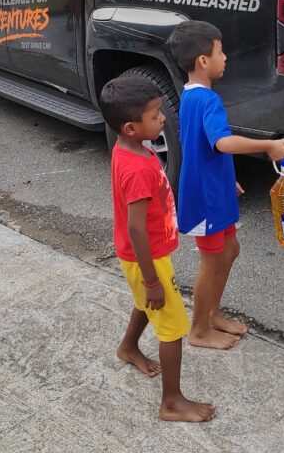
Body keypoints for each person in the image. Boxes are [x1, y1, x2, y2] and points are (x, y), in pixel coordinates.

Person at [167, 21, 284, 350]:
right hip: (205, 199)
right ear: (204, 61)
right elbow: (221, 143)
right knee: (213, 260)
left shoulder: (191, 96)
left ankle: (212, 315)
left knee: (230, 251)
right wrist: (268, 146)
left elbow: (198, 147)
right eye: (221, 52)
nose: (227, 58)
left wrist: (225, 177)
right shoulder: (207, 102)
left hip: (215, 189)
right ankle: (199, 329)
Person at [99, 75, 216, 423]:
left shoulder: (133, 148)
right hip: (143, 257)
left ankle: (128, 347)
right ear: (131, 127)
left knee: (145, 304)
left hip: (145, 255)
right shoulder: (136, 167)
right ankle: (171, 401)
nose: (163, 117)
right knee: (172, 327)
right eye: (155, 115)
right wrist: (151, 278)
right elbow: (136, 227)